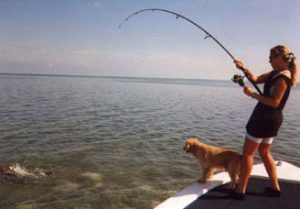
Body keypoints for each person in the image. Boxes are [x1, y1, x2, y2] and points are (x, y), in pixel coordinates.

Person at [233, 45, 298, 200]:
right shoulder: (275, 73)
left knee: (248, 154)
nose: (268, 60)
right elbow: (255, 79)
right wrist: (244, 68)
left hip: (263, 119)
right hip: (272, 121)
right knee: (264, 152)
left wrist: (253, 95)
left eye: (271, 58)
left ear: (280, 58)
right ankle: (274, 187)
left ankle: (240, 190)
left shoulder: (283, 78)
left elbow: (275, 102)